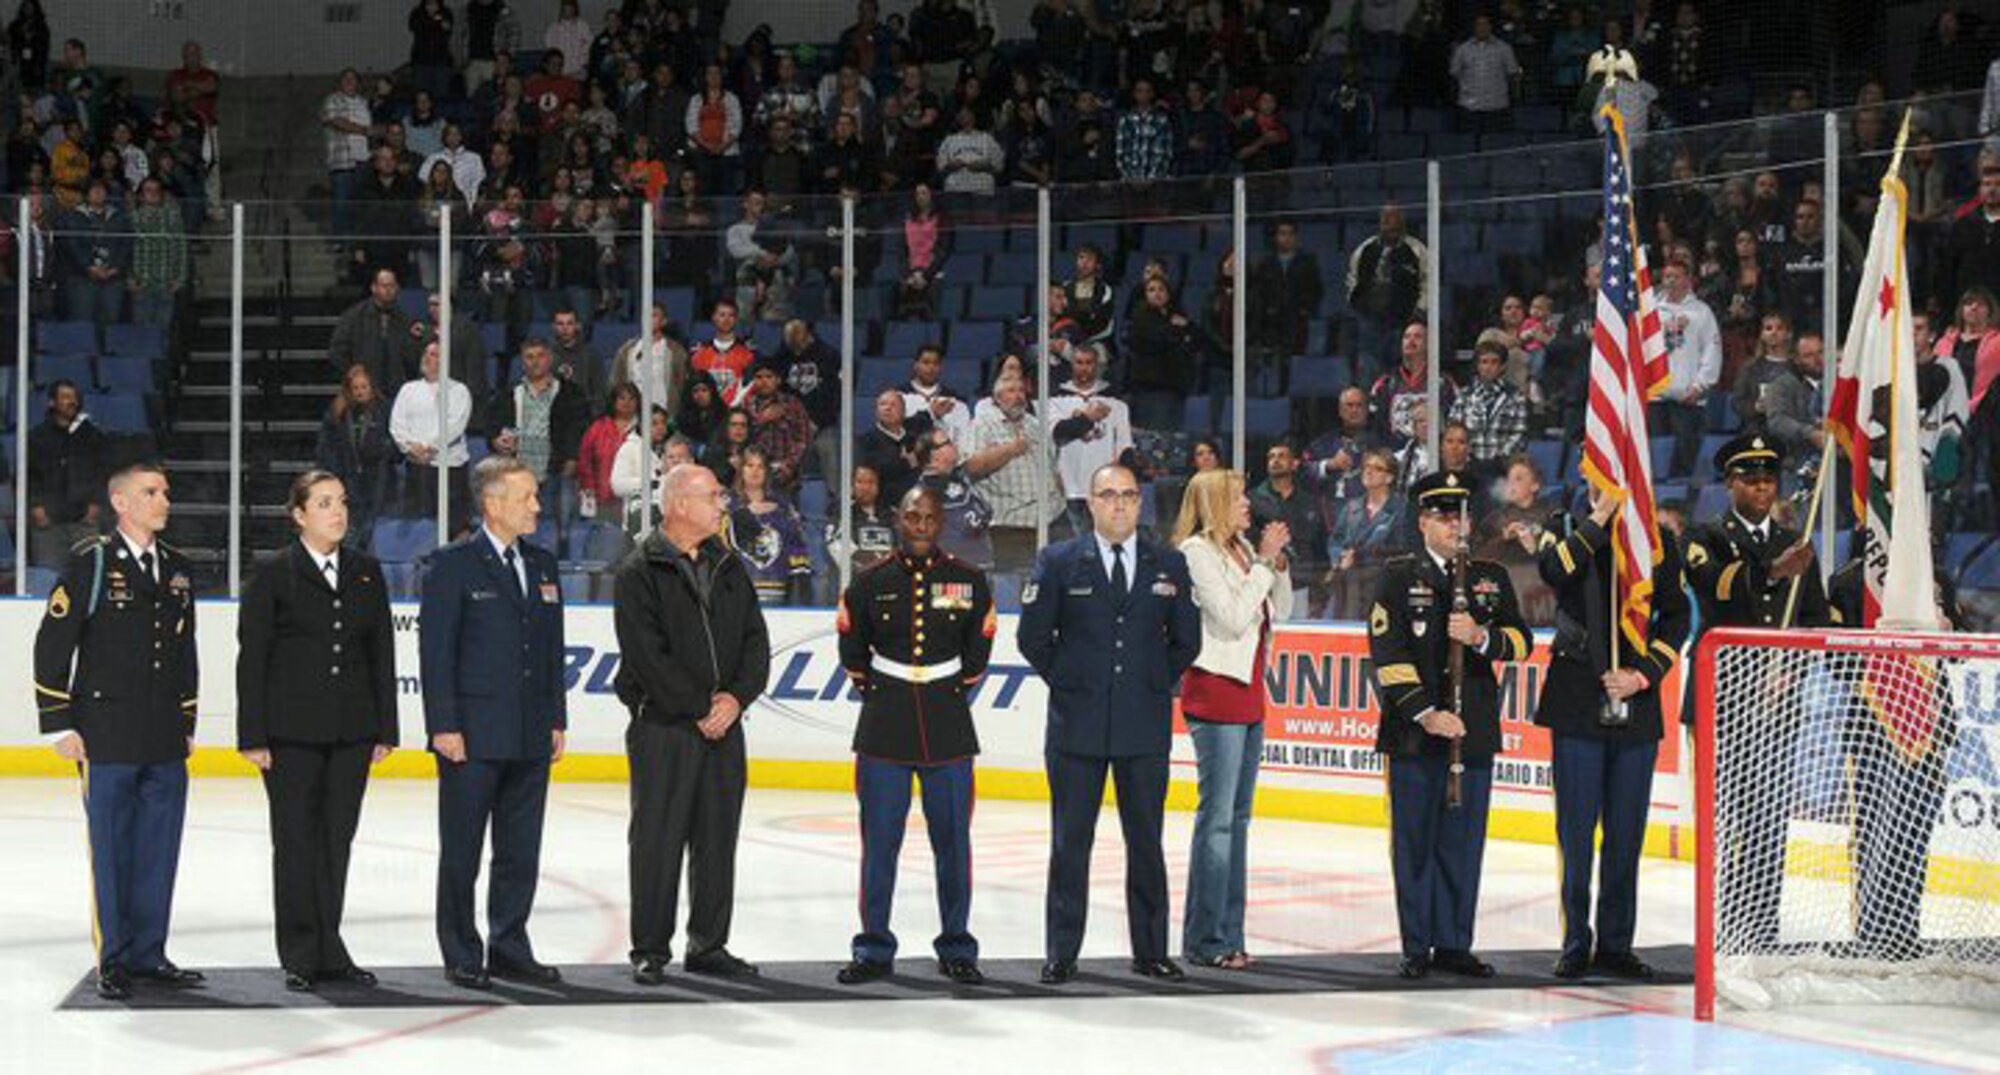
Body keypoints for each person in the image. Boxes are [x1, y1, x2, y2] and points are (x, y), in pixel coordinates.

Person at [1018, 463, 1202, 984]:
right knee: (1070, 844)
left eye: (1127, 496)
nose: (1118, 504)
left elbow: (1186, 641)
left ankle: (1150, 951)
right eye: (1108, 495)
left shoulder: (1169, 564)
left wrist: (1150, 683)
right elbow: (1033, 639)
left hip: (1143, 729)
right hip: (1076, 728)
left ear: (1140, 504)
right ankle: (1061, 952)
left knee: (1146, 842)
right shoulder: (1057, 561)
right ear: (1091, 504)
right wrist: (1070, 681)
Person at [33, 462, 202, 1001]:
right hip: (104, 732)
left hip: (162, 734)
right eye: (152, 492)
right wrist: (58, 723)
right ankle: (114, 959)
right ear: (121, 502)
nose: (164, 500)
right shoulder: (93, 562)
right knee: (111, 849)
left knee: (159, 846)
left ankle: (149, 953)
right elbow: (53, 644)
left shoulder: (177, 568)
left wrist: (187, 720)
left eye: (166, 492)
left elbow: (186, 653)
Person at [236, 472, 399, 992]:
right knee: (296, 842)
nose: (338, 512)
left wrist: (384, 728)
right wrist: (253, 735)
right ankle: (301, 951)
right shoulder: (273, 574)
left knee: (336, 840)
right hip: (290, 734)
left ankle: (331, 945)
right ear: (299, 515)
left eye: (343, 502)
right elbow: (253, 659)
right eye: (324, 503)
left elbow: (381, 655)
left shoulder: (367, 573)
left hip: (351, 731)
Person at [1367, 470, 1533, 980]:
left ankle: (1455, 942)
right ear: (1422, 522)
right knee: (1415, 842)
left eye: (1460, 515)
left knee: (1463, 844)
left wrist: (1482, 637)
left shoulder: (1489, 577)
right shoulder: (1398, 576)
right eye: (1443, 516)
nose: (1454, 524)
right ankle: (1417, 945)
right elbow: (1387, 654)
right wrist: (1427, 712)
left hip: (1473, 730)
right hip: (1417, 734)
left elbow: (1522, 643)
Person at [833, 486, 996, 985]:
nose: (921, 525)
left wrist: (943, 691)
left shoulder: (968, 582)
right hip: (884, 727)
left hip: (948, 729)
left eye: (929, 517)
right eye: (911, 516)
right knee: (879, 845)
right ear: (897, 520)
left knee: (954, 846)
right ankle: (873, 948)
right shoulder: (867, 581)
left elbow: (976, 657)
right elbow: (852, 653)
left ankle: (957, 946)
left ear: (941, 521)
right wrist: (887, 694)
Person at [615, 464, 771, 983]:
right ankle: (650, 948)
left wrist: (736, 699)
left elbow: (756, 643)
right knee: (658, 839)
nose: (722, 503)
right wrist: (702, 706)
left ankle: (709, 944)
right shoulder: (640, 570)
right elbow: (647, 658)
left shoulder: (729, 563)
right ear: (679, 503)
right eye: (713, 495)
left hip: (726, 728)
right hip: (664, 729)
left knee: (716, 839)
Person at [420, 456, 567, 989]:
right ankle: (461, 949)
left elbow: (551, 650)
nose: (536, 505)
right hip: (472, 736)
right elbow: (436, 653)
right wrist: (444, 725)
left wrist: (556, 718)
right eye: (526, 496)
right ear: (493, 503)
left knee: (519, 850)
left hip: (530, 732)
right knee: (462, 850)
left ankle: (510, 944)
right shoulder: (452, 564)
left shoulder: (545, 563)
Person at [1534, 482, 1690, 980]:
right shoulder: (1562, 527)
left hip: (1635, 699)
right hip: (1579, 693)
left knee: (1626, 833)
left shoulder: (1656, 542)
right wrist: (1598, 520)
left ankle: (1617, 943)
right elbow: (1554, 571)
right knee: (1576, 832)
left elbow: (1676, 616)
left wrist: (1643, 674)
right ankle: (1576, 941)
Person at [1683, 433, 1829, 951]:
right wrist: (1771, 572)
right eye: (1751, 479)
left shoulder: (1796, 541)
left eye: (1769, 479)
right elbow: (1712, 582)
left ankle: (1764, 924)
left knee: (1770, 815)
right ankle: (1728, 920)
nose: (1762, 488)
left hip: (1780, 698)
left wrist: (1793, 662)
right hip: (1723, 698)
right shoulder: (1707, 535)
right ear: (1730, 484)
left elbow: (1815, 617)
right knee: (1732, 814)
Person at [1174, 468, 1290, 969]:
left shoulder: (1242, 547)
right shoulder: (1196, 553)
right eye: (1238, 496)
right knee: (1217, 822)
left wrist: (1275, 567)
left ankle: (1230, 933)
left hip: (1249, 693)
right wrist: (1264, 563)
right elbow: (1231, 617)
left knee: (1237, 822)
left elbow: (1277, 611)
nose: (1248, 503)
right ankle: (1207, 939)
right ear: (1215, 502)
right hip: (1216, 692)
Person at [965, 375, 1057, 573]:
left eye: (1022, 391)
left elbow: (1053, 465)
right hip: (1007, 523)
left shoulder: (1036, 424)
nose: (1019, 396)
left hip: (1046, 521)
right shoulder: (982, 424)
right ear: (997, 398)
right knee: (1009, 585)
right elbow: (972, 466)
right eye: (1011, 391)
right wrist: (1010, 449)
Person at [1048, 344, 1133, 536]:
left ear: (1097, 365)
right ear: (1072, 365)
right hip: (1068, 488)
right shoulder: (1055, 400)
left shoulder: (1115, 402)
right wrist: (1088, 418)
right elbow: (1058, 434)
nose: (1084, 368)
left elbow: (1124, 448)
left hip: (1104, 490)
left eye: (1089, 363)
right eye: (1079, 362)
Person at [1651, 257, 1722, 479]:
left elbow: (1712, 350)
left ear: (1688, 281)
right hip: (1655, 398)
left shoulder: (1702, 312)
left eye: (1676, 276)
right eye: (1667, 276)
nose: (1670, 281)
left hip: (1688, 397)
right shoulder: (1650, 311)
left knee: (1684, 459)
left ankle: (1683, 508)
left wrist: (1701, 386)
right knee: (1656, 460)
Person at [389, 342, 474, 528]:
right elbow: (397, 424)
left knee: (453, 526)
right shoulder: (408, 389)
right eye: (426, 353)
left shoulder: (458, 390)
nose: (427, 357)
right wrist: (410, 447)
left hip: (450, 467)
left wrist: (430, 447)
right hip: (417, 466)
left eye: (434, 354)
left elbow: (455, 425)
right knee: (419, 525)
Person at [26, 380, 107, 569]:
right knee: (49, 580)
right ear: (52, 402)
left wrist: (95, 507)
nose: (72, 402)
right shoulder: (37, 437)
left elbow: (102, 472)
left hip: (84, 522)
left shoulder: (93, 436)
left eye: (74, 397)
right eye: (65, 397)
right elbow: (28, 475)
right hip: (48, 525)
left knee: (89, 577)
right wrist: (36, 509)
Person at [315, 365, 398, 548]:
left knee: (373, 532)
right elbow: (327, 448)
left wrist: (383, 450)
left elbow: (395, 444)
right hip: (349, 482)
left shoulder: (385, 410)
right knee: (351, 533)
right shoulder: (338, 414)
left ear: (372, 387)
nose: (360, 392)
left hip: (379, 482)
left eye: (364, 387)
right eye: (356, 388)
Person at [1346, 205, 1428, 385]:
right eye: (1386, 220)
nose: (1390, 225)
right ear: (1380, 223)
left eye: (1394, 219)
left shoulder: (1416, 250)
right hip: (1370, 320)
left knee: (1399, 372)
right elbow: (1352, 279)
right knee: (1367, 369)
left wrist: (1419, 311)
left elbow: (1427, 282)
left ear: (1402, 222)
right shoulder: (1365, 249)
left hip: (1403, 320)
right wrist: (1358, 305)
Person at [1325, 449, 1408, 618]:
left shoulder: (1401, 509)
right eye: (1366, 467)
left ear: (1389, 478)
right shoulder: (1351, 507)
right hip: (1349, 588)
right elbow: (1335, 540)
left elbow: (1403, 549)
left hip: (1384, 588)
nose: (1369, 472)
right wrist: (1340, 557)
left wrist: (1364, 554)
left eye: (1377, 468)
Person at [1250, 441, 1328, 619]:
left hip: (1301, 585)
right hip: (1264, 585)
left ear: (1295, 463)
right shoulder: (1253, 500)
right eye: (1271, 457)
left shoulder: (1310, 502)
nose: (1275, 461)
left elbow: (1320, 545)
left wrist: (1320, 586)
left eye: (1281, 456)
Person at [329, 269, 424, 397]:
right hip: (364, 388)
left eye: (392, 286)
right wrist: (351, 372)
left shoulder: (406, 319)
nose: (388, 290)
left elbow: (413, 356)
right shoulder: (354, 317)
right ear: (374, 288)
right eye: (384, 285)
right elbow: (337, 351)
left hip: (396, 388)